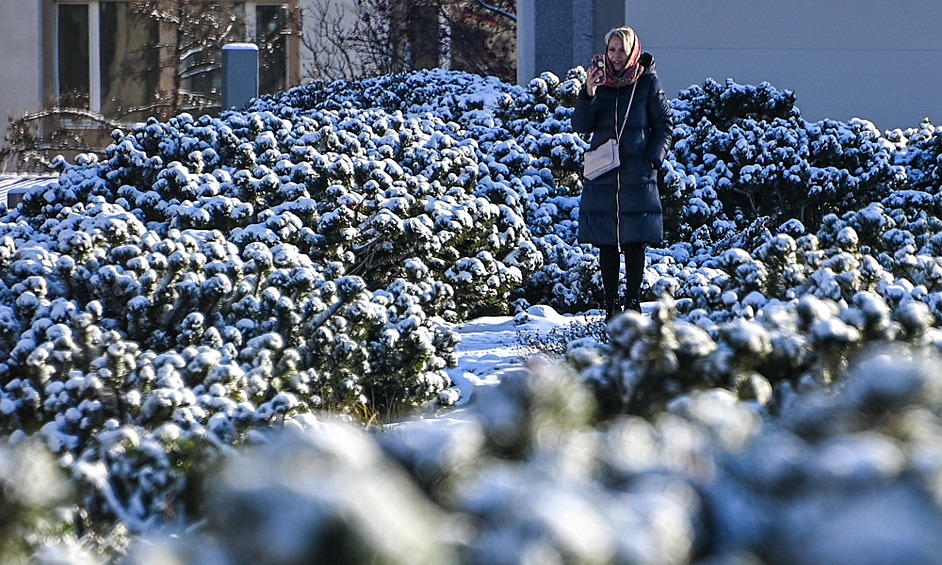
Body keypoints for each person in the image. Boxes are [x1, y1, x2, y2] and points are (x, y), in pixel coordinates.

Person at [571, 26, 673, 321]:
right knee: (606, 240)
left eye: (622, 50)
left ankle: (633, 301)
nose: (616, 56)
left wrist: (652, 159)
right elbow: (581, 125)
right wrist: (588, 93)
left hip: (635, 171)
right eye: (612, 49)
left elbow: (665, 125)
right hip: (603, 170)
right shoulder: (598, 81)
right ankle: (610, 305)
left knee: (633, 240)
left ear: (633, 52)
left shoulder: (647, 83)